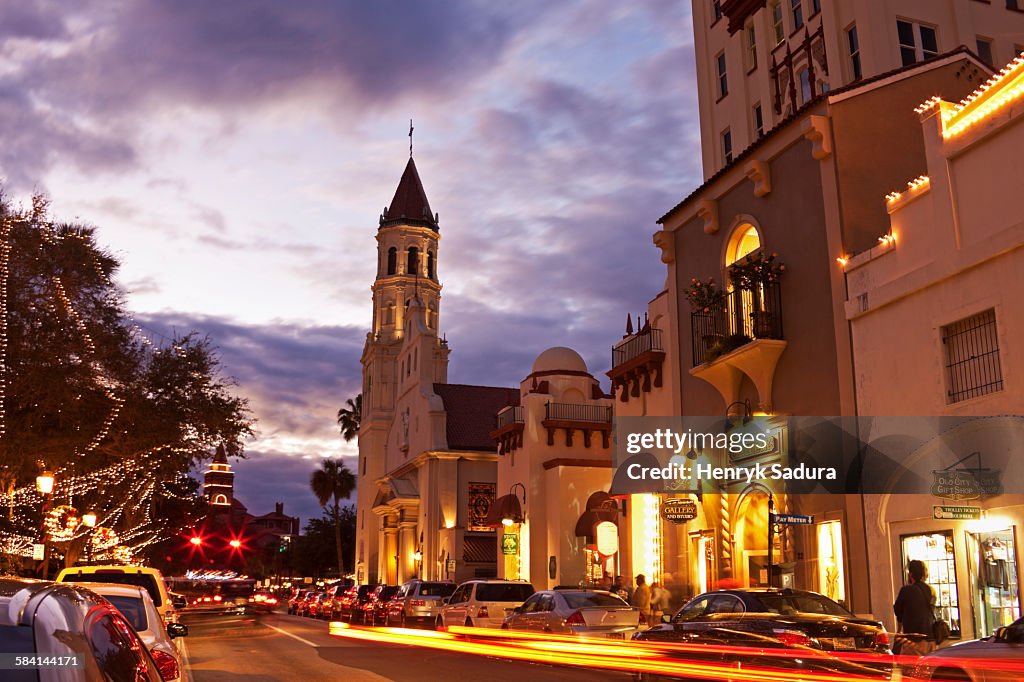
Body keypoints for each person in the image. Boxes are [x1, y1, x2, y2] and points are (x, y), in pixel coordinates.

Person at [894, 559, 937, 656]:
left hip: (913, 641)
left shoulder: (906, 590)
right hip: (930, 639)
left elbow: (897, 610)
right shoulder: (932, 590)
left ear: (911, 574)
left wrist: (899, 629)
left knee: (908, 669)